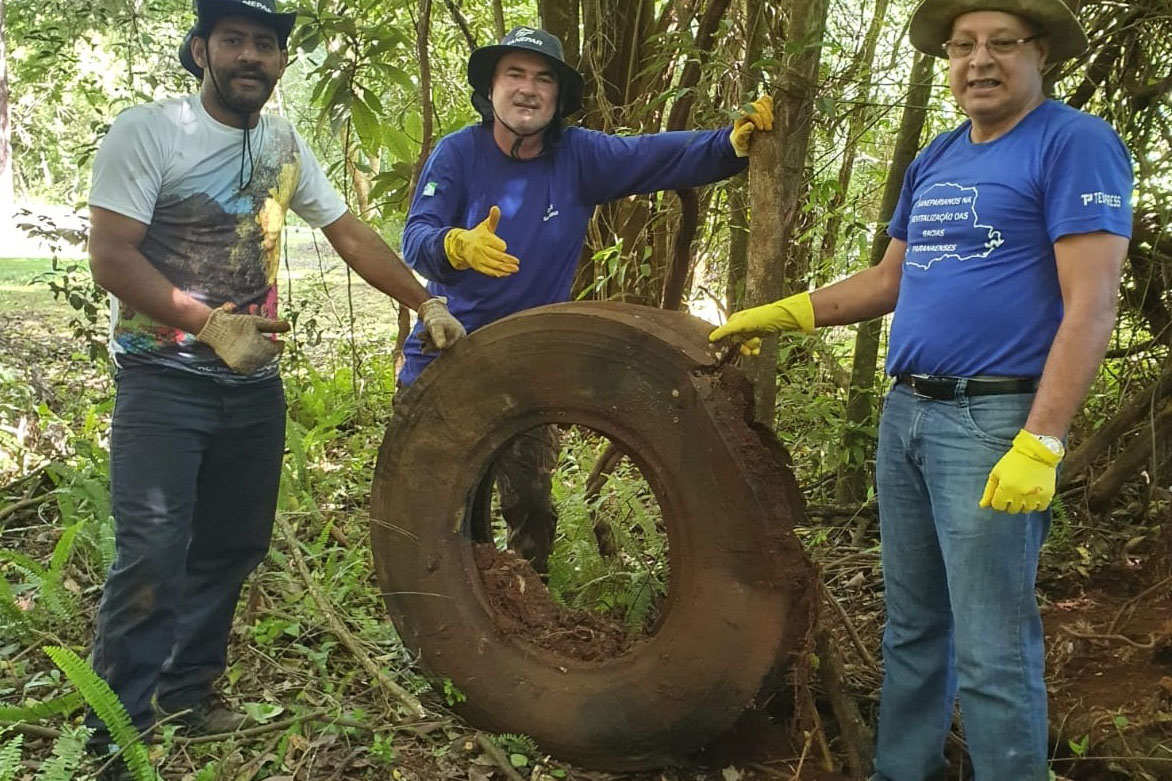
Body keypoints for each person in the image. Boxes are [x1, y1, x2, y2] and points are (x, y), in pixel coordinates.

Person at [710, 0, 1132, 777]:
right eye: (963, 45)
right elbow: (890, 278)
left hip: (993, 417)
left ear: (1040, 52)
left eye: (1002, 43)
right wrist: (786, 310)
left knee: (993, 643)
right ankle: (903, 769)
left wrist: (1041, 440)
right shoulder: (936, 156)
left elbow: (1093, 303)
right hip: (907, 414)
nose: (979, 60)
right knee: (914, 627)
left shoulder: (1074, 142)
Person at [83, 0, 464, 774]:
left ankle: (188, 693)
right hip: (163, 377)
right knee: (152, 550)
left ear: (281, 61)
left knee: (233, 541)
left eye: (264, 44)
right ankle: (111, 737)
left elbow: (346, 231)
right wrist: (208, 324)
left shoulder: (284, 142)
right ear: (200, 52)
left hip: (252, 384)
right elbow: (113, 258)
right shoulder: (148, 132)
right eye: (233, 41)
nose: (249, 55)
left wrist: (422, 298)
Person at [400, 25, 771, 573]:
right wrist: (454, 245)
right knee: (434, 503)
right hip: (449, 349)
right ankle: (442, 621)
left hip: (531, 359)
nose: (528, 89)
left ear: (558, 97)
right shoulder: (458, 154)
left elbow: (657, 156)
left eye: (543, 79)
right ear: (492, 87)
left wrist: (728, 145)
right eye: (515, 74)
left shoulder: (577, 156)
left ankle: (525, 616)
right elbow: (416, 237)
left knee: (528, 503)